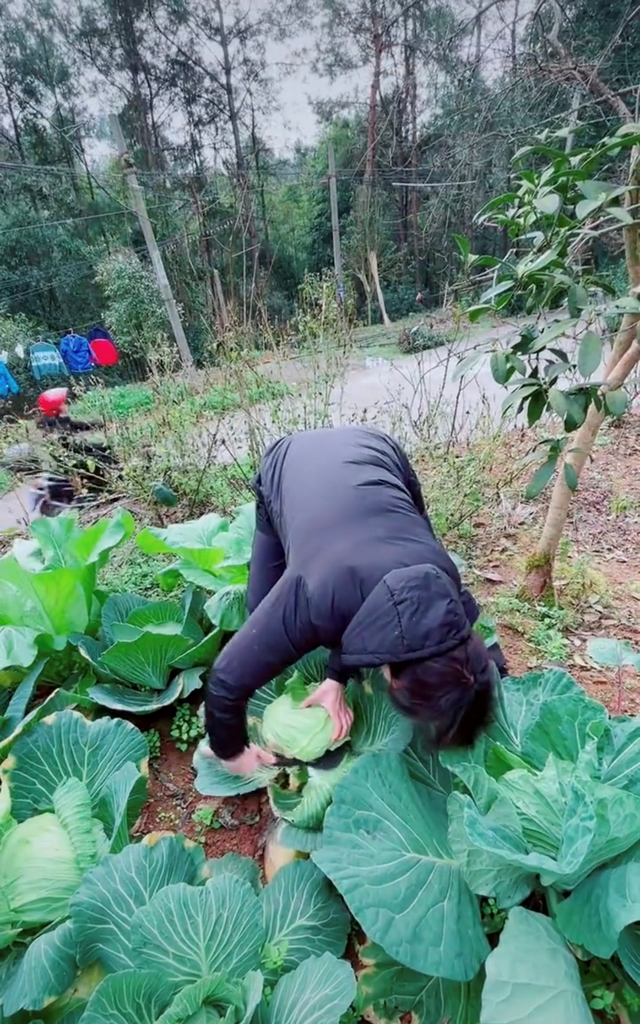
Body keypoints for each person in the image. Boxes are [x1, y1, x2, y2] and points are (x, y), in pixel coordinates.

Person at [204, 426, 507, 774]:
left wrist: (335, 679)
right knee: (259, 606)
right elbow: (226, 681)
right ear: (395, 682)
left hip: (377, 452)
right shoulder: (311, 598)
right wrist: (231, 752)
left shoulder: (442, 578)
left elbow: (377, 615)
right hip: (289, 462)